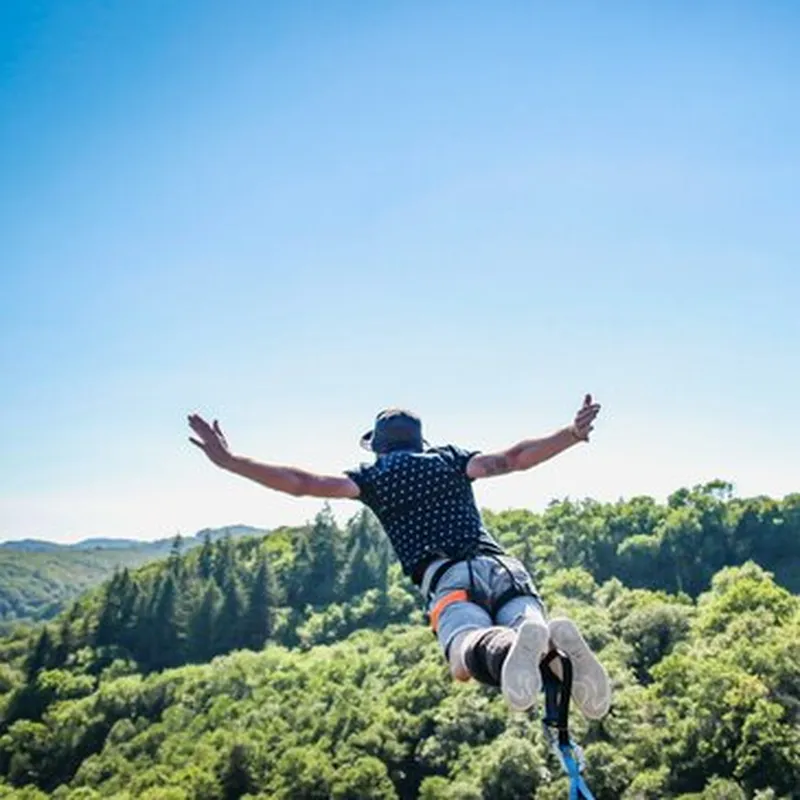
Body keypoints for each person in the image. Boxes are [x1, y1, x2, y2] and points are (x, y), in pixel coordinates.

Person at [187, 395, 611, 719]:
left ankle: (510, 649)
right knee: (523, 619)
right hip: (502, 568)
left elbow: (301, 482)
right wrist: (570, 435)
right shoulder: (450, 460)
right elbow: (513, 459)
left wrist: (231, 462)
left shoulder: (372, 479)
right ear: (418, 441)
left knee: (463, 651)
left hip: (448, 579)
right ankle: (545, 639)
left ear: (378, 448)